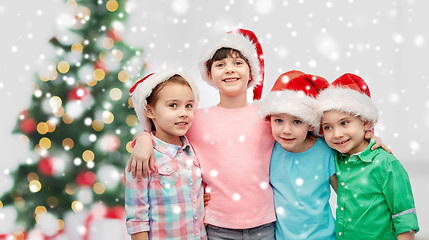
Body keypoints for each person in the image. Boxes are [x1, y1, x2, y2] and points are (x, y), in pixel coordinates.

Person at [128, 29, 277, 239]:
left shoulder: (268, 116)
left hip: (264, 222)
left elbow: (297, 133)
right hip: (216, 225)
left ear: (252, 72)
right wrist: (142, 140)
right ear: (209, 75)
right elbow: (161, 134)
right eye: (220, 64)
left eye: (238, 63)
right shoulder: (195, 119)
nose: (229, 70)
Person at [318, 73, 419, 240]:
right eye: (327, 127)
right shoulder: (335, 158)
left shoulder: (386, 164)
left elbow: (404, 217)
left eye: (344, 123)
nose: (337, 134)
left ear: (365, 121)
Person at [125, 70, 206, 239]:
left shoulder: (191, 149)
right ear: (150, 111)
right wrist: (143, 139)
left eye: (189, 105)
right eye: (173, 105)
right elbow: (137, 216)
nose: (183, 112)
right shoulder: (144, 157)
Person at [258, 70, 337, 240]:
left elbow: (346, 196)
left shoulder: (326, 152)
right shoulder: (269, 148)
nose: (286, 130)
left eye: (297, 121)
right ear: (269, 119)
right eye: (278, 120)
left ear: (310, 123)